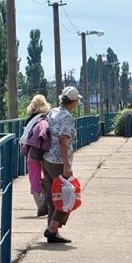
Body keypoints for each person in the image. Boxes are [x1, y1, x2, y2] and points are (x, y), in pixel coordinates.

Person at [42, 86, 82, 244]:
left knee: (54, 197)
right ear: (73, 101)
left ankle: (54, 233)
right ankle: (51, 229)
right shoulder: (66, 116)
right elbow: (63, 141)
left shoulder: (53, 111)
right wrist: (67, 165)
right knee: (69, 195)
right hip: (59, 161)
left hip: (47, 158)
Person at [19, 94, 50, 217]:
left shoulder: (30, 121)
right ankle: (48, 204)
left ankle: (40, 207)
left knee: (34, 181)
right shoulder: (47, 118)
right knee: (48, 177)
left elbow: (24, 139)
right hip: (45, 153)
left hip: (32, 154)